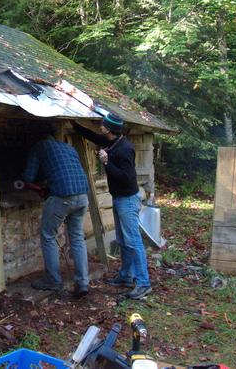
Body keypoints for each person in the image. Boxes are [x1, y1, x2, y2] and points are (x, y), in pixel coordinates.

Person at [72, 113, 152, 300]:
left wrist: (107, 162)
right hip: (119, 198)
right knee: (123, 240)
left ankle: (143, 283)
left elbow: (127, 178)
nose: (100, 126)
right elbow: (95, 137)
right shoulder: (113, 142)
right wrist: (73, 124)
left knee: (133, 241)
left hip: (127, 200)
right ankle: (126, 277)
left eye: (103, 124)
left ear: (108, 129)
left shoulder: (124, 150)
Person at [23, 123, 90, 298]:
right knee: (77, 237)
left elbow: (28, 178)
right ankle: (82, 282)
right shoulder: (68, 147)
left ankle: (53, 280)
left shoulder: (39, 147)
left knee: (48, 235)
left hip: (63, 196)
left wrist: (39, 188)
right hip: (83, 195)